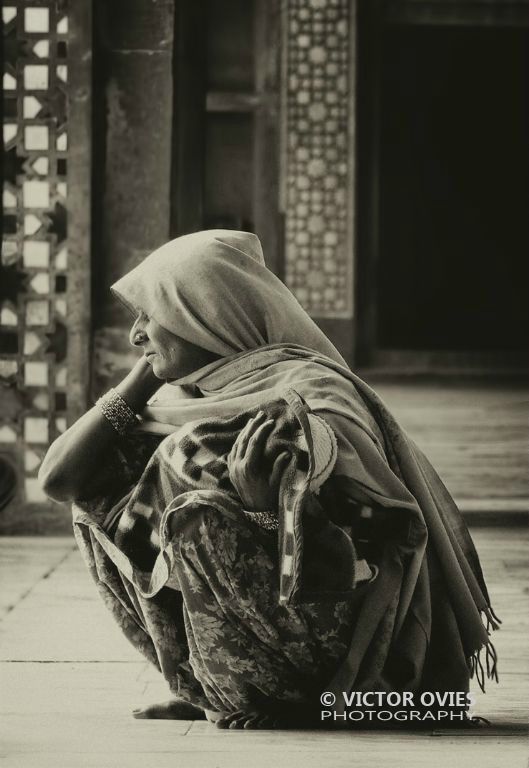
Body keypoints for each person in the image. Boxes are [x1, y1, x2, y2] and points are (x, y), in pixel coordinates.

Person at [39, 230, 499, 729]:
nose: (135, 334)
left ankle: (295, 698)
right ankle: (212, 686)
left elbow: (377, 542)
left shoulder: (312, 396)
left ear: (204, 318)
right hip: (278, 619)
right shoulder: (190, 394)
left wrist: (268, 513)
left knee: (192, 494)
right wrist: (146, 374)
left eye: (151, 315)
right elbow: (62, 479)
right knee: (103, 476)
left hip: (348, 641)